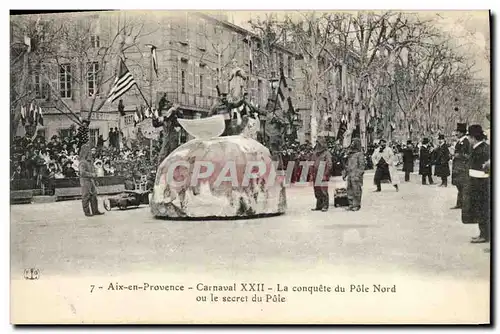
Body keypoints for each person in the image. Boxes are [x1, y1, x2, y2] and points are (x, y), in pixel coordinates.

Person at [461, 125, 490, 244]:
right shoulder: (479, 148)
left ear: (474, 138)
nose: (468, 139)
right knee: (479, 209)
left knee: (482, 209)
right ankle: (482, 233)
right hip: (476, 182)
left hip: (481, 184)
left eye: (469, 137)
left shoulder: (483, 149)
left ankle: (485, 234)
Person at [78, 144, 104, 217]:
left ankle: (95, 210)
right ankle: (87, 212)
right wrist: (92, 175)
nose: (90, 153)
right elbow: (82, 173)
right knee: (86, 196)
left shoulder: (90, 161)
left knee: (93, 196)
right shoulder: (82, 162)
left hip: (91, 181)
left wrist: (94, 179)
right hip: (85, 181)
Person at [451, 123, 471, 209]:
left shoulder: (466, 142)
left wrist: (459, 155)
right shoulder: (459, 142)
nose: (456, 133)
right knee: (459, 185)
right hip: (457, 167)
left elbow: (468, 155)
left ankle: (464, 204)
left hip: (463, 167)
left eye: (458, 132)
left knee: (462, 186)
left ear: (462, 133)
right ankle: (460, 203)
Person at [310, 135, 332, 212]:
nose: (317, 145)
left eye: (319, 143)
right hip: (316, 174)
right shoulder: (315, 153)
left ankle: (325, 205)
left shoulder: (326, 153)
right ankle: (319, 205)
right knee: (317, 190)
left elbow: (329, 165)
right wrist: (311, 174)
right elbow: (312, 163)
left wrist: (325, 174)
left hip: (322, 174)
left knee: (324, 190)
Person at [343, 138, 365, 211]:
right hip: (350, 174)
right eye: (351, 142)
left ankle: (356, 205)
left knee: (356, 190)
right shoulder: (350, 154)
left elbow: (362, 166)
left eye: (353, 142)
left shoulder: (360, 154)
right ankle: (351, 204)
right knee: (349, 190)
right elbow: (347, 165)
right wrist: (345, 174)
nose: (352, 144)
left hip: (356, 176)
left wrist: (358, 175)